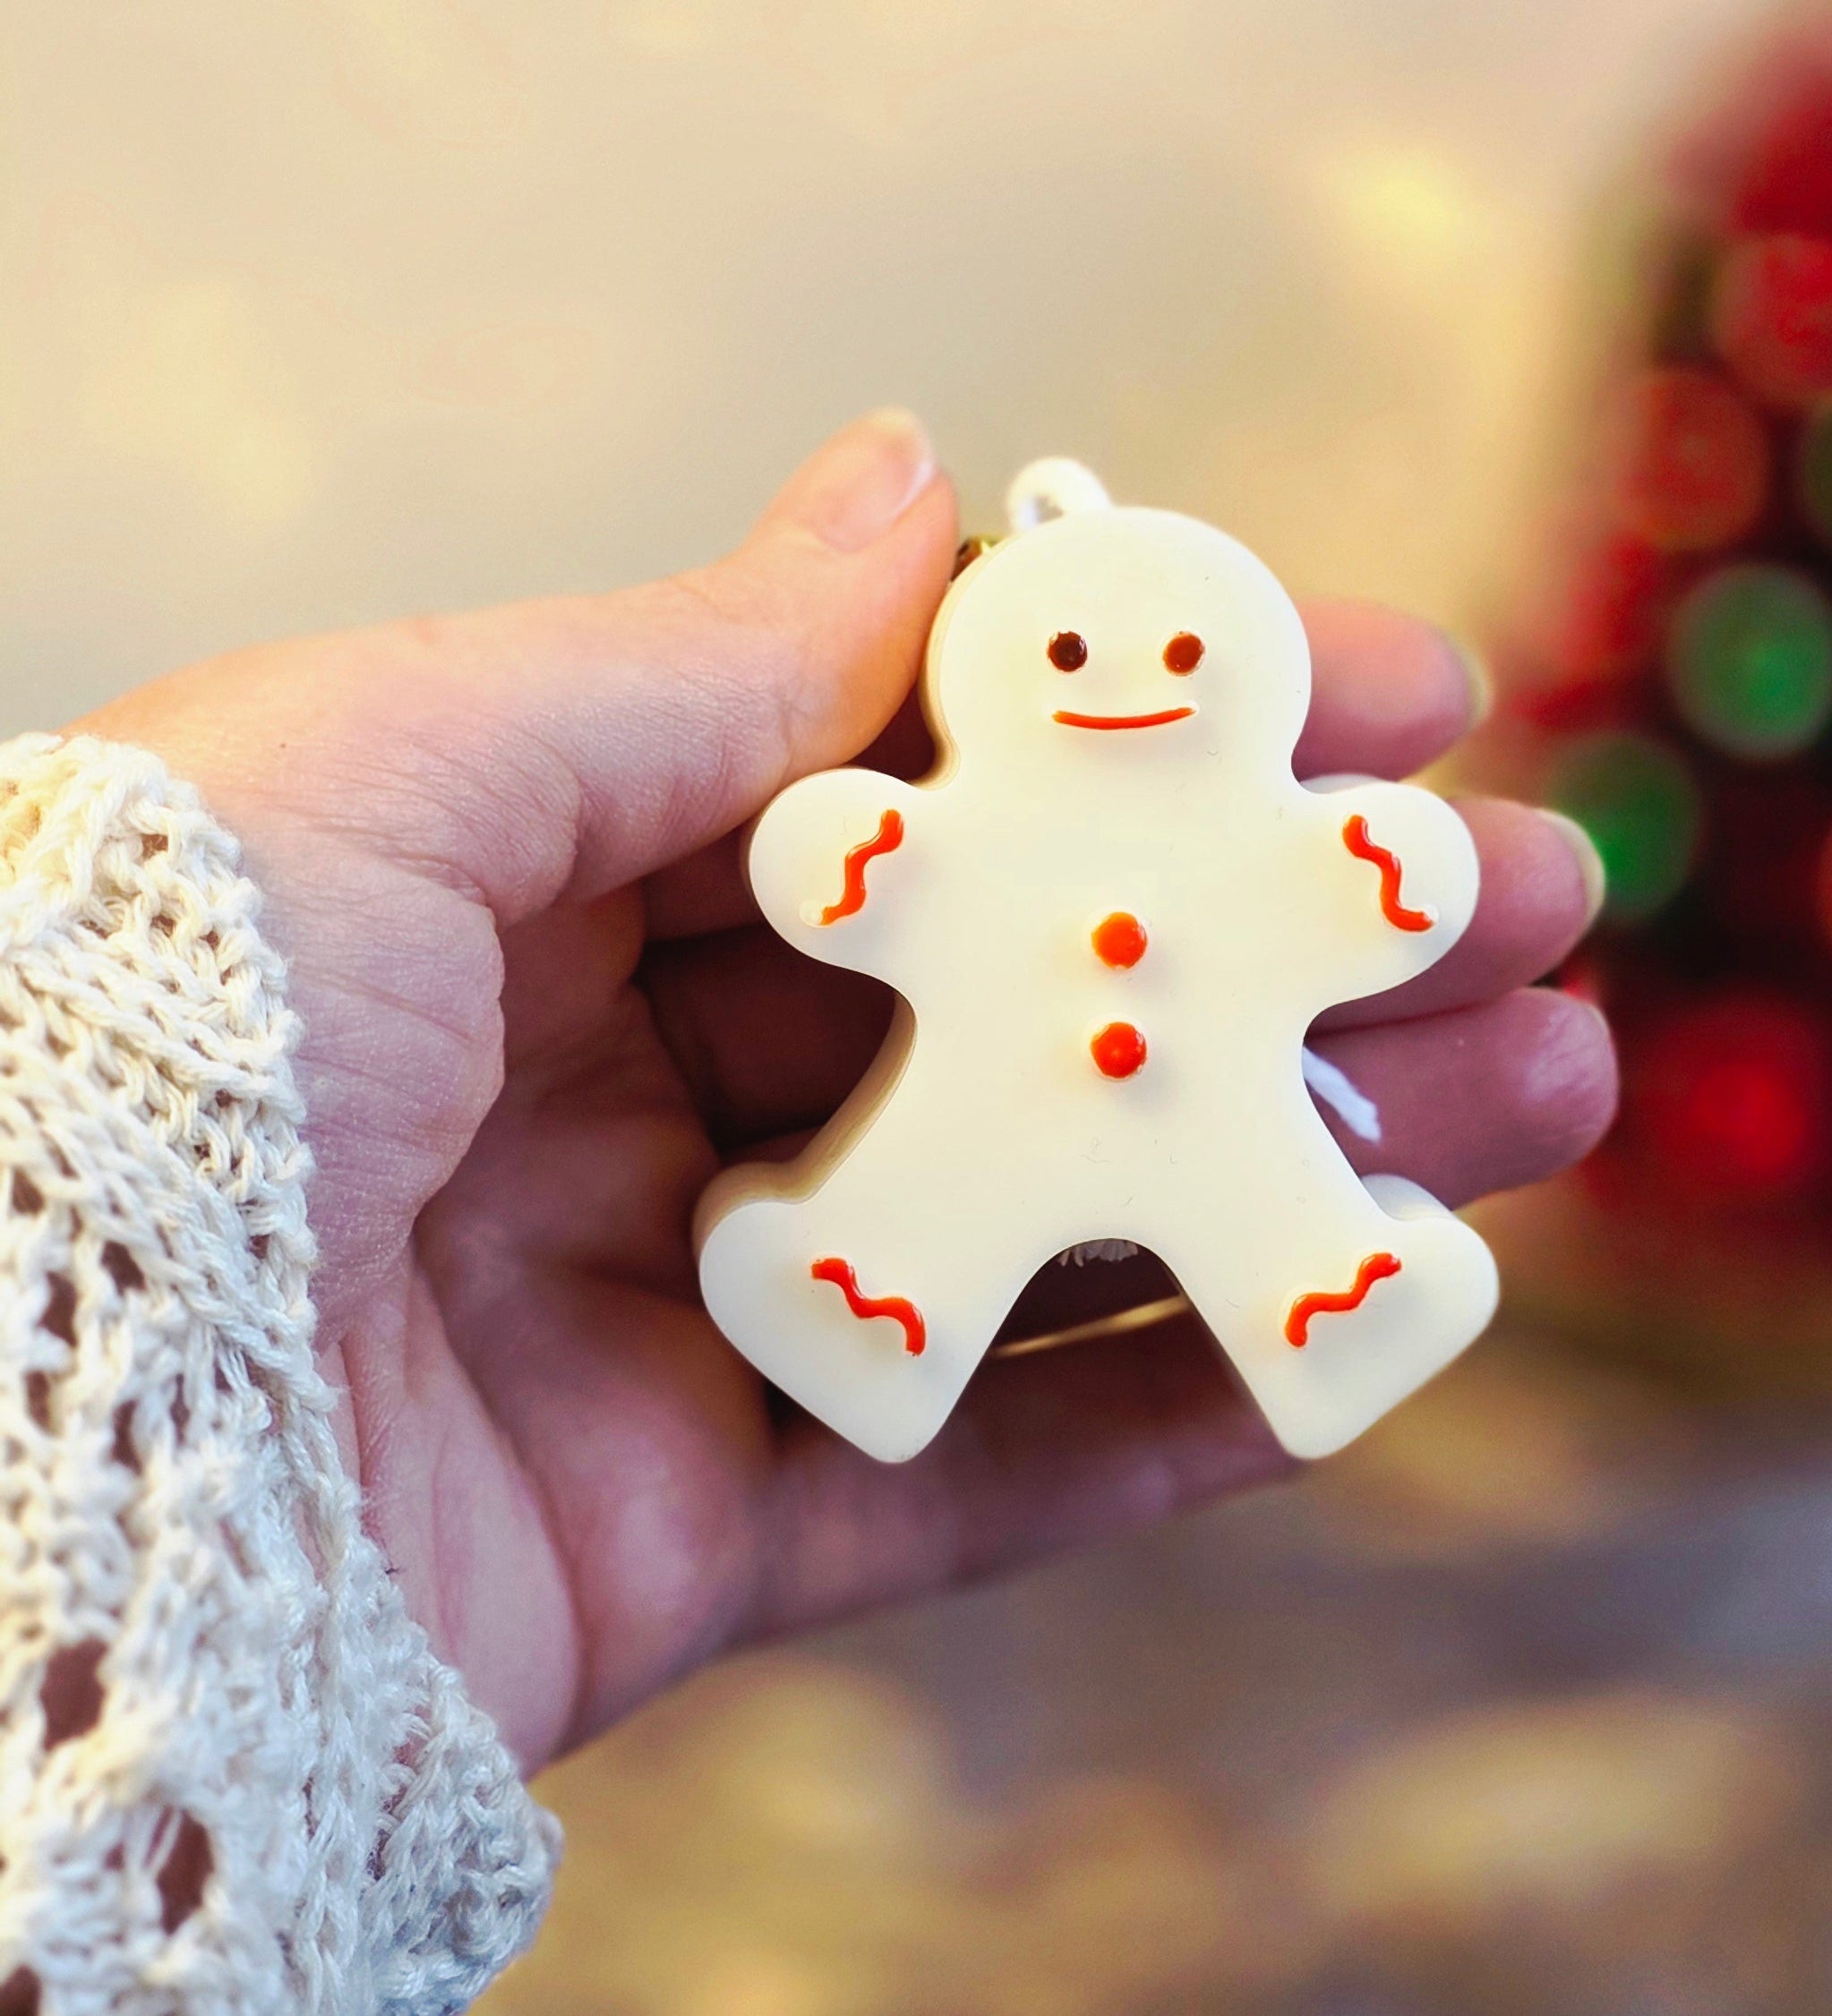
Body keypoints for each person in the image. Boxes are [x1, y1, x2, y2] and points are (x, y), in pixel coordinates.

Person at [0, 411, 1614, 2012]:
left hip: (1218, 1116)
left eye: (1182, 647)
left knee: (1276, 1201)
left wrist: (1380, 873)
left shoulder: (1255, 836)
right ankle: (859, 1304)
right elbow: (869, 872)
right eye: (1063, 645)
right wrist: (859, 857)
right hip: (988, 1112)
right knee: (921, 1204)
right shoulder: (972, 822)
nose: (1126, 677)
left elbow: (1358, 892)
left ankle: (1330, 1299)